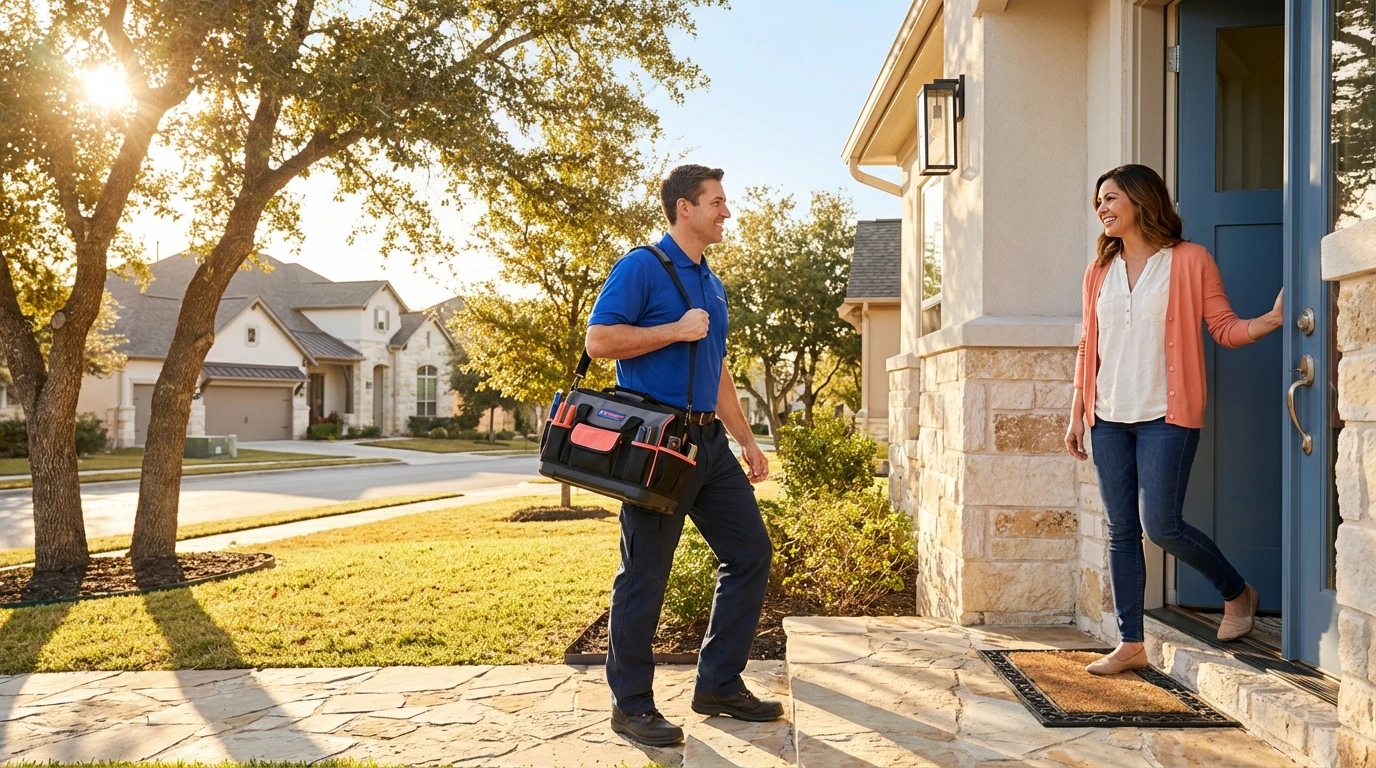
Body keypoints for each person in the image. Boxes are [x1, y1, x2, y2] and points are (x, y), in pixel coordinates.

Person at [585, 164, 781, 747]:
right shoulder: (642, 267)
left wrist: (745, 438)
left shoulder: (711, 283)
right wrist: (672, 330)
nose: (726, 212)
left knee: (749, 554)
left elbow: (716, 365)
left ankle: (718, 684)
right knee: (645, 573)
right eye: (716, 202)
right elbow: (598, 342)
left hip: (710, 444)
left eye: (725, 202)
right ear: (683, 209)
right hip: (658, 443)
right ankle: (633, 705)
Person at [1065, 164, 1284, 676]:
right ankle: (1130, 641)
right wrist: (1076, 412)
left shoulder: (1189, 261)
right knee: (1121, 530)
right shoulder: (1098, 271)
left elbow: (1224, 328)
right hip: (1107, 416)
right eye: (1098, 200)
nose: (1102, 208)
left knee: (1160, 525)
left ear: (1142, 200)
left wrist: (1272, 321)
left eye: (1112, 198)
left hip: (1167, 413)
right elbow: (1087, 346)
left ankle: (1237, 592)